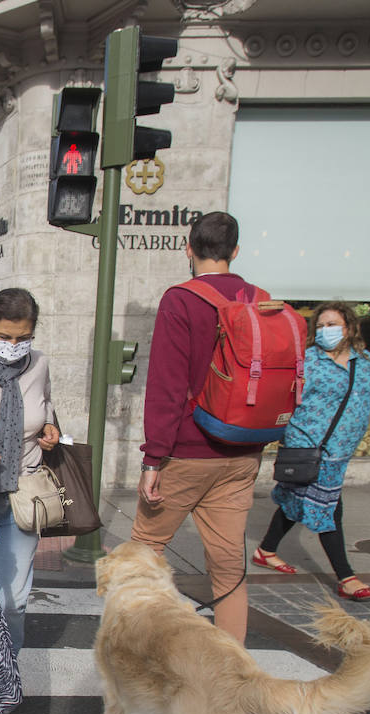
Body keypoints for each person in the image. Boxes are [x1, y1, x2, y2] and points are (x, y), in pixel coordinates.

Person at [131, 211, 263, 644]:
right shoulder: (260, 298)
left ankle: (144, 652)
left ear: (189, 249)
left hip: (186, 451)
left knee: (146, 550)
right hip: (242, 451)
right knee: (228, 567)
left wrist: (154, 458)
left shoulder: (181, 299)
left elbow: (167, 386)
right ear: (235, 252)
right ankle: (233, 666)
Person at [253, 301, 370, 600]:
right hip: (308, 446)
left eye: (332, 325)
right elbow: (284, 396)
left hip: (339, 452)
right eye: (320, 326)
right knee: (329, 508)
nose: (325, 331)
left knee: (297, 502)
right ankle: (347, 578)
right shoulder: (309, 360)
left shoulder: (365, 361)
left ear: (349, 328)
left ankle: (265, 550)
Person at [0, 288, 59, 655]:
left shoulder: (39, 365)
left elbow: (46, 406)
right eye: (4, 336)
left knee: (13, 600)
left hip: (23, 494)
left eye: (23, 337)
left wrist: (50, 429)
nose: (13, 345)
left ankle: (3, 675)